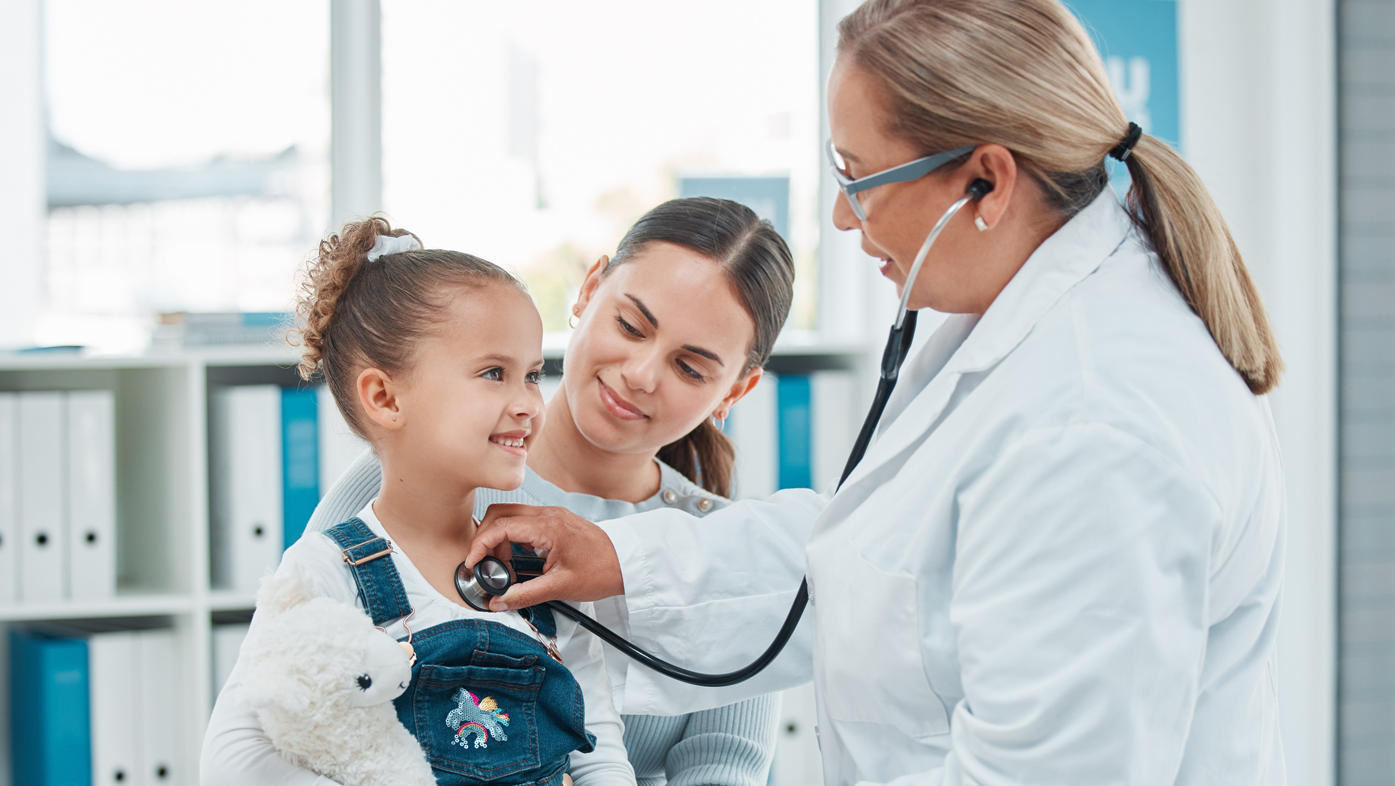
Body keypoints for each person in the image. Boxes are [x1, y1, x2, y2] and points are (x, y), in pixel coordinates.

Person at [464, 1, 1289, 784]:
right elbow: (874, 562)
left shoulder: (1097, 421)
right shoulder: (1022, 333)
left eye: (857, 174)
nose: (841, 215)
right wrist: (616, 556)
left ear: (986, 184)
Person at [306, 198, 796, 786]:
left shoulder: (728, 556)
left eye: (690, 368)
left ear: (735, 391)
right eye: (631, 325)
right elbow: (297, 688)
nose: (640, 373)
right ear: (590, 290)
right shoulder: (410, 477)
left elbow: (724, 766)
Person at [200, 218, 636, 786]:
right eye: (493, 373)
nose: (529, 403)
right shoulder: (324, 572)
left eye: (532, 374)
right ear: (384, 397)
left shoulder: (542, 570)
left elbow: (599, 753)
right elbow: (235, 765)